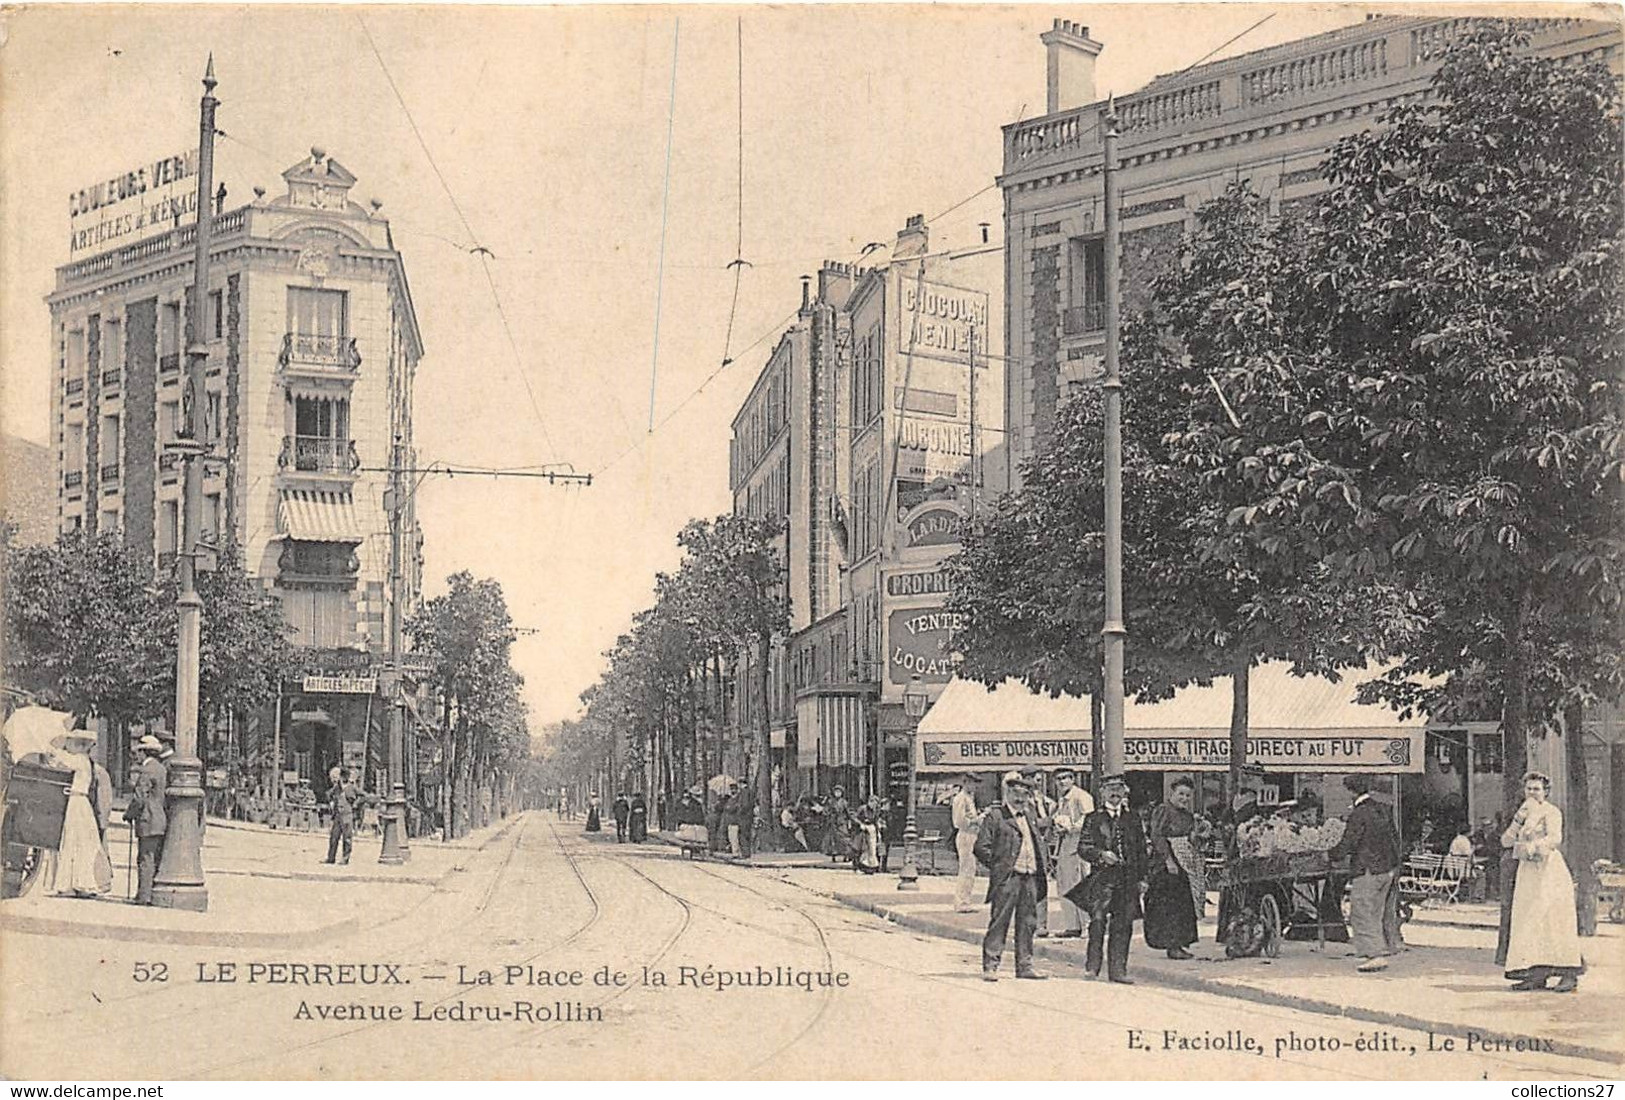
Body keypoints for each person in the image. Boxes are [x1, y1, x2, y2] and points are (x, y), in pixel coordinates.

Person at [1500, 772, 1583, 993]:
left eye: (1537, 789)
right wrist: (1517, 822)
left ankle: (1568, 974)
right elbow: (1506, 840)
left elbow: (1555, 838)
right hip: (1528, 872)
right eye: (1529, 789)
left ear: (1545, 791)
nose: (1532, 793)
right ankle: (1535, 974)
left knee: (1554, 918)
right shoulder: (1522, 813)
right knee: (1528, 919)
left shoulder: (1551, 811)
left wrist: (1533, 846)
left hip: (1549, 870)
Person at [972, 771, 1050, 981]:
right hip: (1009, 878)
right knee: (1000, 922)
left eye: (1024, 794)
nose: (1020, 798)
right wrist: (999, 866)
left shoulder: (1030, 816)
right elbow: (981, 847)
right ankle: (991, 965)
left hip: (1030, 877)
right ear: (1007, 793)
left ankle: (1024, 966)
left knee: (1028, 923)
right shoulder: (996, 816)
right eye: (1016, 793)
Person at [1072, 774, 1148, 983]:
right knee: (1097, 922)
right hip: (1102, 879)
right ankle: (1092, 967)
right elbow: (1083, 848)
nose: (1115, 793)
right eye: (1110, 788)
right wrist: (1100, 855)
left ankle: (1118, 971)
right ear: (1102, 792)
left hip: (1128, 880)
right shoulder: (1093, 819)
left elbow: (1142, 850)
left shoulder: (1133, 818)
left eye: (1119, 788)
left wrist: (1143, 878)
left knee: (1123, 925)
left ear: (1125, 792)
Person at [1327, 774, 1404, 972]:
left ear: (1351, 792)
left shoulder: (1359, 814)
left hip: (1367, 869)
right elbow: (1396, 840)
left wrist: (1331, 855)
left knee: (1361, 912)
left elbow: (1349, 843)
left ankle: (1374, 955)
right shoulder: (1383, 809)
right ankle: (1379, 947)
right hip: (1386, 869)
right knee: (1376, 912)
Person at [45, 730, 112, 898]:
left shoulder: (80, 760)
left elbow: (62, 760)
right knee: (80, 842)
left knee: (73, 841)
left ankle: (74, 883)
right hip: (80, 803)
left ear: (79, 745)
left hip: (76, 802)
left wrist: (50, 748)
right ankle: (79, 882)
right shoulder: (85, 761)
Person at [1144, 777, 1204, 959]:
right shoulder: (1163, 810)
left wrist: (1199, 832)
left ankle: (1180, 943)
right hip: (1166, 864)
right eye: (1181, 794)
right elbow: (1157, 836)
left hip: (1184, 862)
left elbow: (1190, 840)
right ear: (1172, 794)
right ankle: (1172, 945)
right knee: (1169, 905)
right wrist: (1168, 860)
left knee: (1183, 904)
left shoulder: (1187, 815)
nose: (1184, 798)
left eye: (1188, 795)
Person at [1050, 767, 1094, 937]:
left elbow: (1089, 820)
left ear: (1073, 779)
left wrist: (1070, 827)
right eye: (1058, 779)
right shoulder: (1062, 800)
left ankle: (1087, 926)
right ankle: (1072, 925)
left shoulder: (1081, 796)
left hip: (1079, 847)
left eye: (1065, 778)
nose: (1061, 782)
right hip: (1065, 848)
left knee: (1080, 885)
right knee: (1065, 886)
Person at [127, 735, 169, 905]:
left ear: (145, 753)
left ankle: (144, 895)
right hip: (159, 818)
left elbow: (139, 798)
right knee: (153, 857)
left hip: (148, 819)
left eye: (138, 752)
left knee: (145, 858)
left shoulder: (147, 770)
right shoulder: (161, 769)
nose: (136, 756)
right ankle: (149, 893)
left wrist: (129, 814)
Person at [1018, 766, 1056, 937]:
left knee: (1042, 884)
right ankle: (1030, 923)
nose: (1038, 784)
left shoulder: (1040, 798)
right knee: (1029, 885)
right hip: (1028, 847)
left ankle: (1042, 924)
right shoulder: (1022, 799)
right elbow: (1033, 822)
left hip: (1041, 846)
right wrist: (1050, 820)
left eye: (1040, 780)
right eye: (1036, 780)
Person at [949, 778, 983, 913]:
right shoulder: (960, 799)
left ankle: (965, 900)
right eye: (973, 783)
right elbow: (959, 820)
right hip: (966, 834)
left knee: (970, 869)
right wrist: (978, 820)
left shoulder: (969, 798)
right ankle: (961, 902)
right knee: (966, 869)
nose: (975, 786)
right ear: (966, 783)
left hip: (972, 835)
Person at [324, 769, 361, 865]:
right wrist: (331, 802)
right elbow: (328, 794)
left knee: (347, 838)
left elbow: (362, 795)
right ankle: (331, 858)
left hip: (347, 815)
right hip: (337, 815)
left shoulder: (351, 787)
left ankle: (345, 858)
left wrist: (356, 804)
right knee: (334, 837)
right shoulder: (337, 788)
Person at [822, 786, 853, 863]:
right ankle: (834, 856)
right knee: (833, 840)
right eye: (836, 792)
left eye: (839, 792)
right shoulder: (831, 802)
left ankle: (846, 855)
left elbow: (848, 813)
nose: (837, 794)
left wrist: (849, 821)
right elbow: (826, 811)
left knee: (844, 839)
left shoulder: (844, 802)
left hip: (842, 822)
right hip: (833, 822)